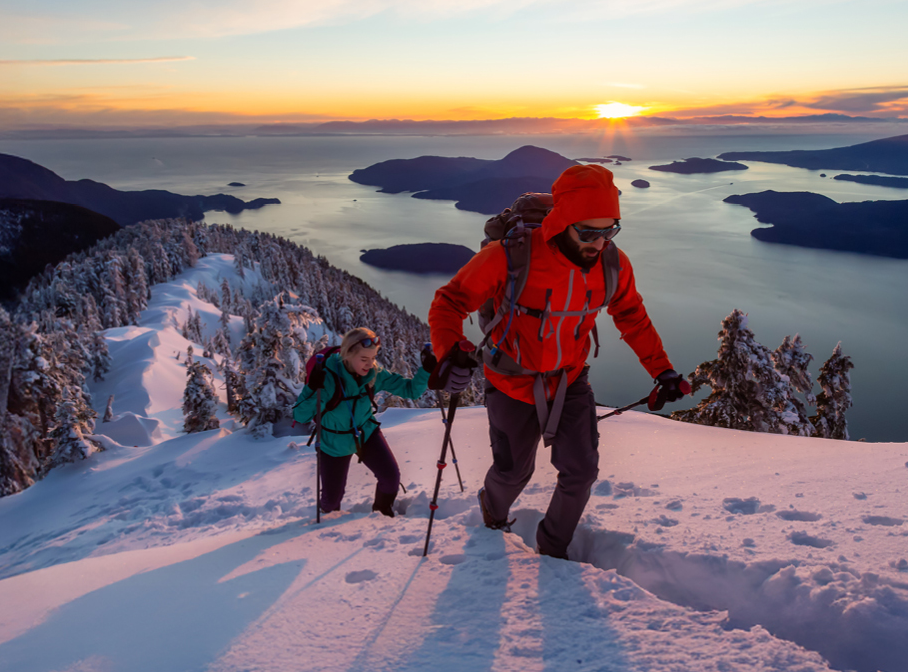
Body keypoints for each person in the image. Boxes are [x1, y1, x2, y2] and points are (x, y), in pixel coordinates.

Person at [428, 164, 687, 559]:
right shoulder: (510, 256)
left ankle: (552, 551)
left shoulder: (612, 265)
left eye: (609, 230)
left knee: (580, 471)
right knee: (514, 472)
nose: (599, 243)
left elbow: (630, 314)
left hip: (569, 381)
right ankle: (492, 513)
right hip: (511, 382)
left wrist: (662, 370)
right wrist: (451, 350)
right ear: (563, 222)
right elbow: (450, 301)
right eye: (588, 232)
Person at [292, 327, 434, 517]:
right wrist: (312, 388)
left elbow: (410, 390)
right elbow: (300, 416)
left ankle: (382, 514)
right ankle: (327, 523)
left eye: (373, 358)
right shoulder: (326, 378)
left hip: (365, 433)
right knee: (331, 501)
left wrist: (426, 371)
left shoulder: (373, 373)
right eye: (364, 359)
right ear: (347, 356)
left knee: (390, 478)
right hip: (334, 442)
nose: (370, 364)